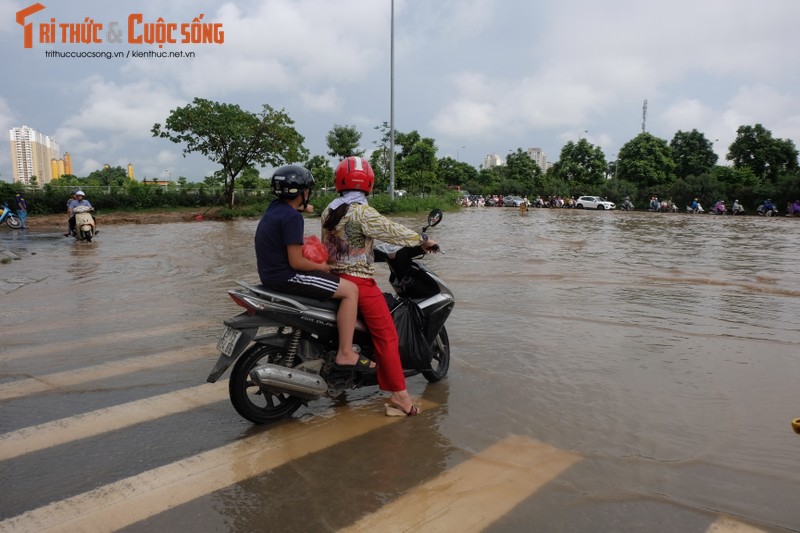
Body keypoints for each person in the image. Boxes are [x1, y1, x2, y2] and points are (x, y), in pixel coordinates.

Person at [321, 156, 439, 417]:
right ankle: (400, 395)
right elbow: (392, 230)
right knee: (388, 335)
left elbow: (365, 241)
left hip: (332, 279)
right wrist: (423, 240)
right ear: (369, 184)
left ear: (338, 181)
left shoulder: (330, 209)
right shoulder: (363, 212)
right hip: (358, 282)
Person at [254, 164, 367, 372]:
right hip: (287, 277)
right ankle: (346, 352)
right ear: (302, 192)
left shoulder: (275, 209)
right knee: (351, 290)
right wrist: (323, 266)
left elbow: (290, 214)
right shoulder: (292, 218)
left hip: (269, 275)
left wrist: (303, 208)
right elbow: (297, 262)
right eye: (307, 190)